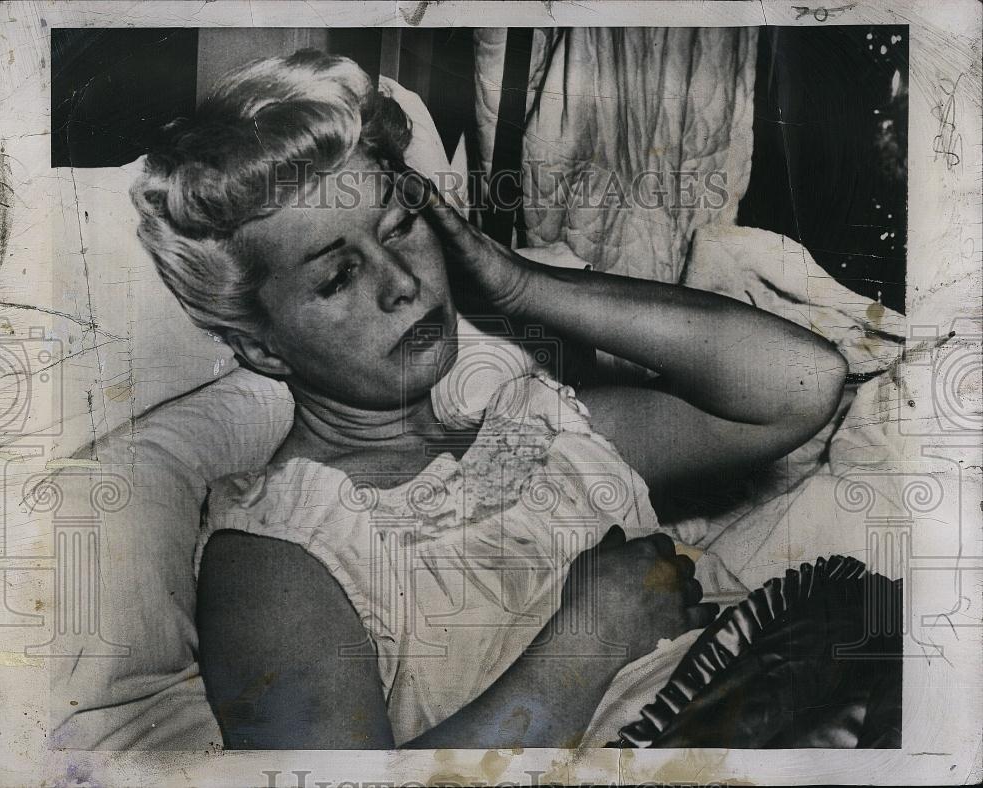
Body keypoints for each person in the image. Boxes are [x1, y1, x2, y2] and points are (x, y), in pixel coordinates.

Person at [131, 49, 848, 749]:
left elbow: (802, 382)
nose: (401, 284)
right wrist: (588, 640)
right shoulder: (276, 557)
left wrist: (515, 283)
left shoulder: (526, 426)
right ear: (261, 347)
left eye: (401, 227)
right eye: (337, 277)